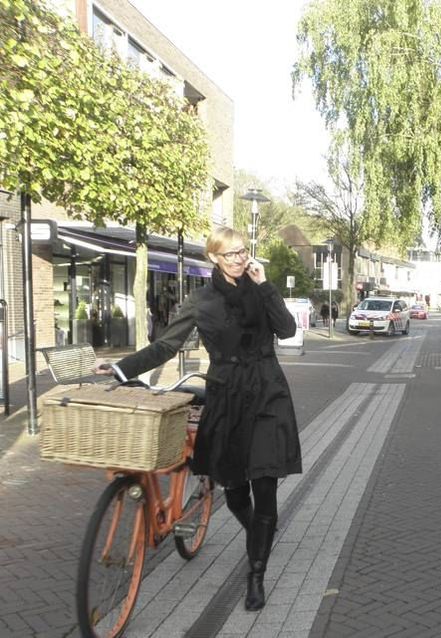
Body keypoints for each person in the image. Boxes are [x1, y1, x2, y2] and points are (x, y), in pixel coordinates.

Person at [95, 227, 300, 612]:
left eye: (243, 252)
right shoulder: (200, 301)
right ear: (213, 258)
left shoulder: (259, 291)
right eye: (231, 255)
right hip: (226, 397)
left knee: (266, 484)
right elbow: (166, 345)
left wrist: (266, 286)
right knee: (236, 491)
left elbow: (287, 330)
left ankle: (256, 573)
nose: (239, 260)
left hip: (268, 395)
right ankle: (260, 531)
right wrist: (123, 367)